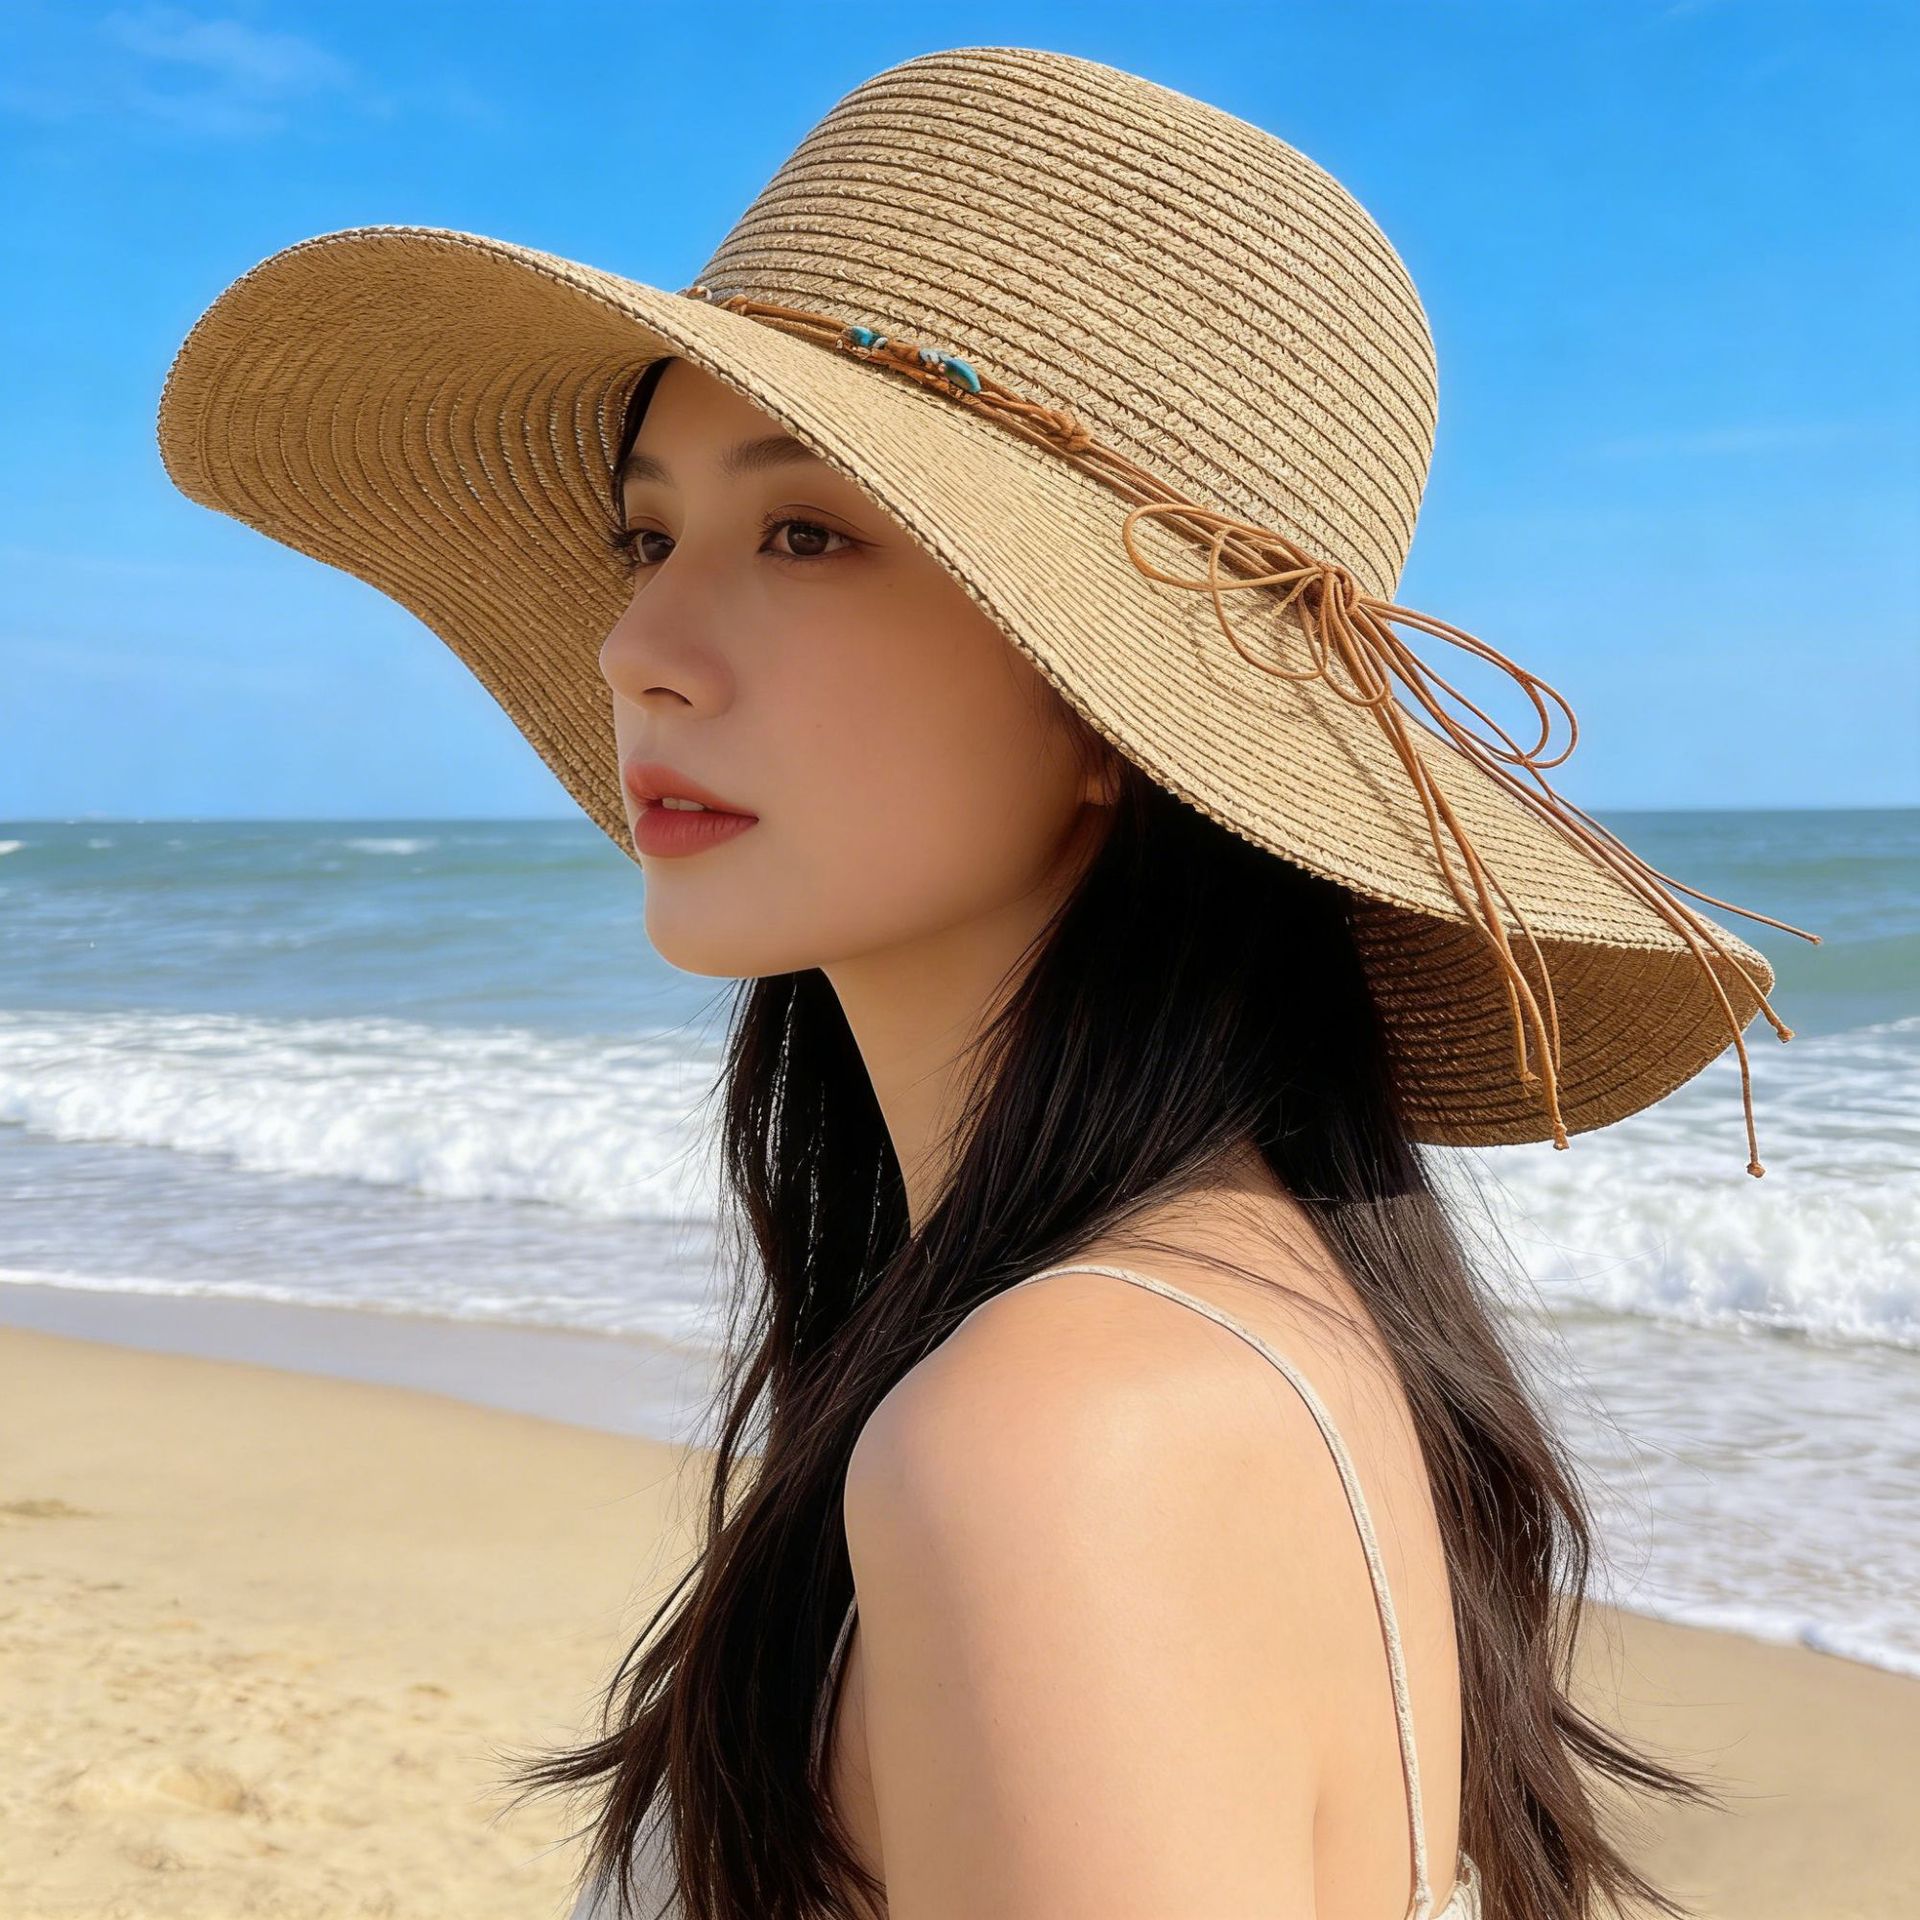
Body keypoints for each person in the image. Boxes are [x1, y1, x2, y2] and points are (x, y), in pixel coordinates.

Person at [155, 43, 1810, 1920]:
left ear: (1114, 708)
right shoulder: (1229, 1317)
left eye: (806, 532)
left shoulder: (1059, 1441)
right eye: (648, 535)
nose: (639, 646)